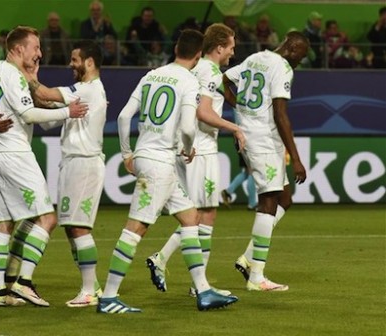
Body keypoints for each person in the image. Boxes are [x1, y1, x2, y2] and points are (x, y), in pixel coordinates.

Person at [97, 29, 238, 314]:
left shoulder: (151, 75)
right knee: (136, 228)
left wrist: (127, 153)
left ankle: (203, 290)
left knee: (189, 220)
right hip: (161, 162)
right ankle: (109, 296)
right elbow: (188, 127)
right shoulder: (188, 81)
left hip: (152, 158)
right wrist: (188, 148)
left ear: (176, 47)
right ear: (198, 55)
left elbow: (124, 116)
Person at [0, 25, 88, 307]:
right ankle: (23, 284)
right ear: (18, 49)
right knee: (47, 219)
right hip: (14, 153)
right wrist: (69, 111)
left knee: (2, 223)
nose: (40, 53)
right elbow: (28, 115)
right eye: (35, 47)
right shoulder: (12, 75)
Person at [145, 23, 245, 298]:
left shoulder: (196, 68)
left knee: (197, 213)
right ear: (219, 47)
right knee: (205, 214)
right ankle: (190, 279)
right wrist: (234, 127)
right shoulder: (211, 71)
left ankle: (172, 265)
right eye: (231, 48)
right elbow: (203, 112)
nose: (233, 54)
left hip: (186, 147)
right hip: (200, 148)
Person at [222, 31, 309, 291]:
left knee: (285, 199)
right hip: (263, 139)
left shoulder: (256, 57)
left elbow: (223, 78)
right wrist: (295, 158)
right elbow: (281, 115)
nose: (300, 62)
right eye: (301, 56)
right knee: (269, 200)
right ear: (292, 48)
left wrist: (238, 106)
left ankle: (248, 258)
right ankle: (257, 277)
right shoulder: (282, 67)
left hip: (250, 133)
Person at [24, 40, 107, 308]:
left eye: (75, 60)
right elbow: (46, 105)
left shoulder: (88, 89)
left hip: (84, 163)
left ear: (89, 62)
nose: (70, 64)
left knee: (79, 227)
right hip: (72, 163)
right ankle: (92, 286)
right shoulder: (80, 95)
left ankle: (89, 291)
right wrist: (35, 84)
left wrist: (27, 74)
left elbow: (46, 94)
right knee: (72, 228)